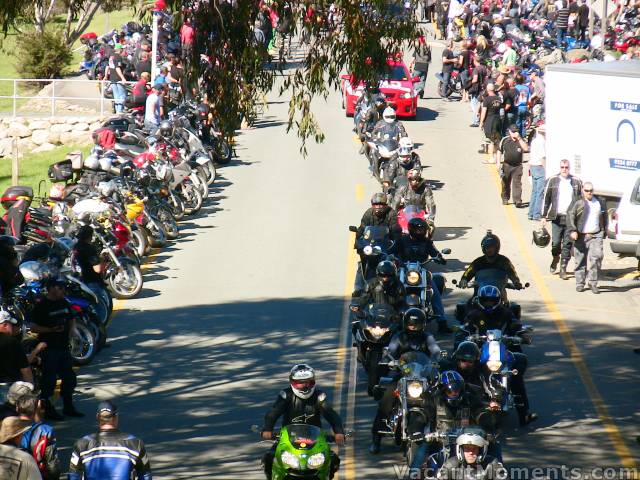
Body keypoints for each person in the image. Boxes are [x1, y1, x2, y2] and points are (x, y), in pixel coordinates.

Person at [459, 286, 538, 427]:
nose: (489, 303)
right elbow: (465, 327)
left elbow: (515, 324)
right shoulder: (474, 314)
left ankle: (524, 413)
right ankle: (462, 409)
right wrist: (465, 336)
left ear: (498, 301)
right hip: (480, 349)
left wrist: (521, 334)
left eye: (492, 300)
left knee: (516, 372)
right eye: (486, 300)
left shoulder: (505, 313)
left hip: (502, 348)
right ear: (480, 300)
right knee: (465, 369)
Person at [370, 309, 440, 454]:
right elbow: (390, 351)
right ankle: (376, 438)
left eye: (416, 325)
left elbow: (436, 351)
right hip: (401, 375)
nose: (413, 328)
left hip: (422, 377)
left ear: (423, 325)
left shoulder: (428, 337)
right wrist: (390, 360)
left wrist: (436, 360)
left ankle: (437, 432)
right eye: (410, 325)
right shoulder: (398, 337)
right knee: (386, 399)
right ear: (405, 324)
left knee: (436, 399)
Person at [261, 365, 344, 479]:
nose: (304, 387)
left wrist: (338, 432)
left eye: (308, 383)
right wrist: (267, 429)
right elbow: (273, 413)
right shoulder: (286, 396)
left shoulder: (319, 397)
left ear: (313, 382)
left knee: (333, 460)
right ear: (292, 382)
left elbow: (331, 414)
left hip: (315, 439)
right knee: (269, 458)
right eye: (300, 383)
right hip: (288, 438)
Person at [30, 278, 83, 420]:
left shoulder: (64, 302)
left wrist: (72, 330)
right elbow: (33, 327)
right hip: (49, 348)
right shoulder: (41, 307)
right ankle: (48, 408)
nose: (63, 291)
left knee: (69, 378)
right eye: (60, 288)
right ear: (51, 289)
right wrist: (50, 329)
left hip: (64, 347)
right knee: (49, 381)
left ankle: (68, 406)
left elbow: (71, 317)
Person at [68, 401, 152, 480]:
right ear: (116, 417)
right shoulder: (135, 443)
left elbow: (73, 475)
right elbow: (145, 475)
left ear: (97, 417)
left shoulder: (82, 444)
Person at [397, 217, 450, 332]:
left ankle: (442, 322)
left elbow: (435, 253)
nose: (421, 232)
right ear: (412, 229)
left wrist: (439, 258)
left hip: (421, 271)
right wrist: (389, 256)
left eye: (423, 230)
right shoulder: (402, 240)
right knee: (391, 289)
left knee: (434, 293)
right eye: (419, 230)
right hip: (403, 270)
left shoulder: (426, 242)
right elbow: (391, 250)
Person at [541, 159, 583, 279]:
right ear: (559, 168)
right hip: (557, 217)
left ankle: (563, 268)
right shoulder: (552, 180)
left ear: (569, 168)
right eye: (562, 167)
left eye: (566, 167)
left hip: (570, 218)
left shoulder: (576, 181)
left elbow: (581, 202)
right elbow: (546, 198)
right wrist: (543, 216)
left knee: (568, 244)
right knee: (556, 243)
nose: (564, 169)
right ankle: (555, 258)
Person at [566, 182, 607, 294]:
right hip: (581, 235)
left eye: (591, 190)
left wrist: (604, 231)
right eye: (587, 190)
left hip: (596, 234)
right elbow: (570, 215)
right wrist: (573, 230)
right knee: (580, 260)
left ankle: (593, 282)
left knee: (597, 257)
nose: (589, 193)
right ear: (582, 190)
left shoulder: (600, 202)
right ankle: (580, 283)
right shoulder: (578, 201)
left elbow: (604, 216)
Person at [458, 231, 523, 292]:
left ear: (497, 247)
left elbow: (512, 272)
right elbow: (468, 272)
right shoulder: (478, 262)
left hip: (500, 293)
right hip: (480, 293)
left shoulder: (504, 261)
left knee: (512, 304)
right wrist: (464, 280)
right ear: (483, 248)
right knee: (465, 304)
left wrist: (516, 282)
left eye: (492, 247)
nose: (489, 249)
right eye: (487, 247)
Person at [16, 394, 60, 480]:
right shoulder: (46, 431)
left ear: (17, 408)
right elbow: (51, 462)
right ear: (37, 409)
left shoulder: (7, 426)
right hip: (35, 473)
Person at [72, 225, 109, 324]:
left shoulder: (76, 247)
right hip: (92, 280)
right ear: (90, 236)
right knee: (98, 306)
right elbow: (98, 269)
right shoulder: (89, 249)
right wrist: (104, 260)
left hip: (80, 279)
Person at [437, 429, 506, 479]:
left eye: (474, 448)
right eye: (467, 448)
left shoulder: (492, 464)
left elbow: (503, 477)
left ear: (481, 450)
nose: (471, 452)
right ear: (460, 450)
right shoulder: (451, 464)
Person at [498, 125, 529, 207]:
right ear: (510, 132)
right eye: (513, 132)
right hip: (507, 165)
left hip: (517, 166)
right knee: (505, 183)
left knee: (517, 183)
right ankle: (505, 198)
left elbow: (526, 149)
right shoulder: (505, 140)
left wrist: (519, 139)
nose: (515, 133)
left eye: (516, 131)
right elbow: (499, 151)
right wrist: (498, 163)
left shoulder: (520, 140)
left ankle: (517, 200)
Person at [0, 310, 33, 385]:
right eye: (11, 324)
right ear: (5, 325)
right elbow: (25, 369)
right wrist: (30, 386)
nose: (13, 327)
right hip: (8, 386)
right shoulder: (12, 342)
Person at [479, 83, 503, 163]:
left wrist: (481, 122)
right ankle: (496, 157)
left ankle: (492, 158)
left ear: (488, 89)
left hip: (490, 120)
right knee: (496, 139)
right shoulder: (499, 98)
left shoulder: (487, 99)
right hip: (498, 119)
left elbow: (483, 112)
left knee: (491, 140)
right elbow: (502, 111)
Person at [528, 123, 546, 221]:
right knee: (540, 192)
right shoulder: (542, 142)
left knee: (534, 191)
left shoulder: (534, 141)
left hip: (533, 166)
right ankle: (536, 214)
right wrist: (546, 170)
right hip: (539, 167)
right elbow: (543, 157)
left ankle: (531, 213)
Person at [104, 44, 127, 114]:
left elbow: (107, 67)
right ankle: (120, 111)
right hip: (118, 78)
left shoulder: (111, 57)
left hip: (112, 78)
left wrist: (105, 76)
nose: (123, 50)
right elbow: (117, 68)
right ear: (119, 49)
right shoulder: (118, 57)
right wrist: (123, 78)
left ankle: (118, 110)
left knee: (116, 95)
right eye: (122, 49)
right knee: (122, 95)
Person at [468, 56, 488, 127]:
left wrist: (470, 82)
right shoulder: (484, 68)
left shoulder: (476, 69)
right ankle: (479, 118)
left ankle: (476, 120)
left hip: (476, 89)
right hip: (483, 89)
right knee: (479, 104)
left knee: (474, 105)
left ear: (475, 61)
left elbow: (475, 79)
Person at [513, 73, 530, 138]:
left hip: (517, 107)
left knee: (517, 123)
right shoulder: (527, 88)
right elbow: (529, 99)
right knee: (523, 123)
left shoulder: (515, 88)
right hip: (524, 107)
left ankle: (518, 138)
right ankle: (523, 137)